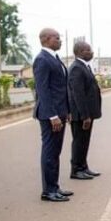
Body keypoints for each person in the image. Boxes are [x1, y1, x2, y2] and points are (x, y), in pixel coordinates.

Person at [33, 28, 73, 202]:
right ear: (46, 39)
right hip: (50, 115)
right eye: (57, 38)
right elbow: (43, 90)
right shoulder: (42, 59)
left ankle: (55, 187)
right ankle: (48, 191)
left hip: (60, 112)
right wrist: (52, 116)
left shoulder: (54, 58)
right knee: (50, 152)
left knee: (55, 152)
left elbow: (61, 89)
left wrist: (67, 111)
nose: (60, 41)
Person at [68, 41, 102, 180]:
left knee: (84, 141)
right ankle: (76, 170)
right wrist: (85, 115)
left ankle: (83, 167)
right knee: (79, 141)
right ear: (80, 52)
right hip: (81, 114)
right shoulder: (76, 68)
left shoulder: (84, 66)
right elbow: (78, 94)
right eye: (88, 50)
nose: (91, 52)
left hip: (86, 113)